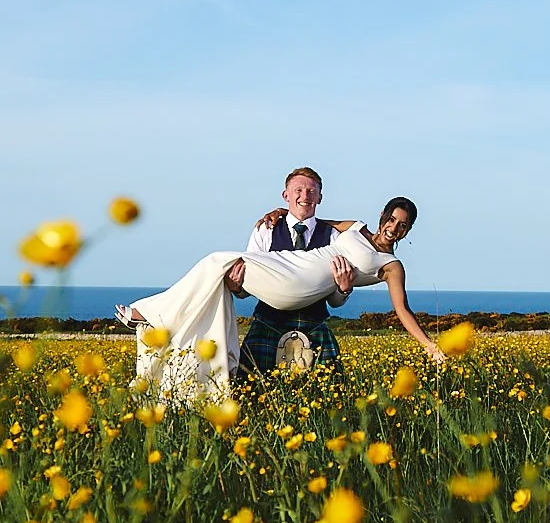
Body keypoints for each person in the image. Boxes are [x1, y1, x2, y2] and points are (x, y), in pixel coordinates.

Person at [119, 197, 440, 399]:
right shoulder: (355, 227)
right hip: (290, 264)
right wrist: (277, 212)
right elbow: (307, 222)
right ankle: (171, 331)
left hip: (298, 285)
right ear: (383, 215)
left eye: (403, 226)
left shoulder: (391, 266)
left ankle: (151, 313)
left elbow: (402, 310)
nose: (394, 228)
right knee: (219, 268)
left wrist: (428, 345)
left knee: (218, 259)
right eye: (392, 219)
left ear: (407, 232)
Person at [240, 166, 353, 377]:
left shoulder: (334, 237)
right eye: (298, 190)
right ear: (286, 195)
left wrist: (344, 289)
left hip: (314, 326)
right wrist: (237, 286)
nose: (305, 196)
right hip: (267, 325)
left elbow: (335, 301)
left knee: (328, 402)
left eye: (311, 191)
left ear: (320, 197)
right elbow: (247, 286)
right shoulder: (265, 230)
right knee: (250, 398)